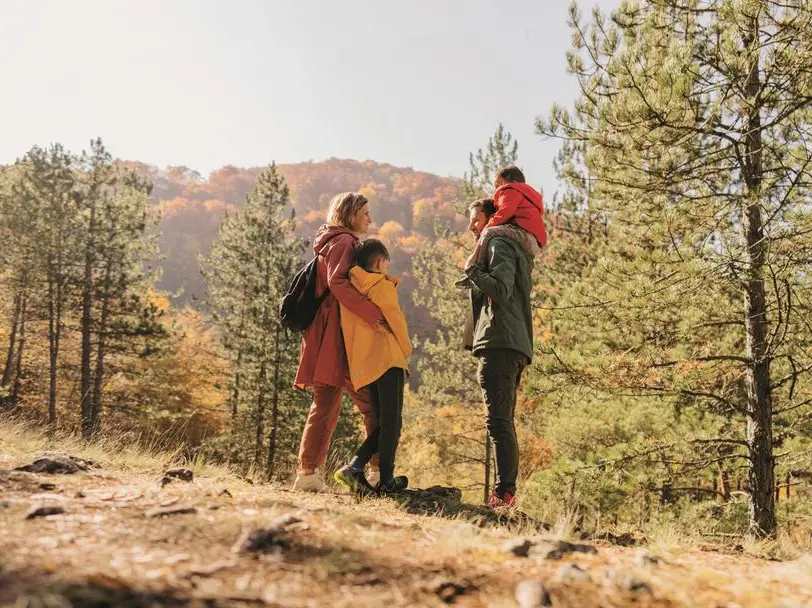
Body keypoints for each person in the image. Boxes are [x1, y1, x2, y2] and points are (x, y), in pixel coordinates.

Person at [292, 192, 385, 492]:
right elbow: (338, 283)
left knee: (326, 403)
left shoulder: (330, 241)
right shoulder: (345, 242)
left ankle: (308, 474)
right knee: (374, 404)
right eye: (365, 212)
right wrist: (373, 313)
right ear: (351, 214)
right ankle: (378, 471)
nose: (370, 218)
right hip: (337, 336)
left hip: (325, 335)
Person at [464, 196, 534, 508]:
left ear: (492, 219)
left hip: (501, 342)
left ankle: (504, 495)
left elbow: (502, 290)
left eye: (475, 220)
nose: (470, 227)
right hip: (510, 342)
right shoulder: (507, 245)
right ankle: (504, 494)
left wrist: (473, 272)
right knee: (502, 420)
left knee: (499, 422)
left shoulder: (498, 244)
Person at [334, 239, 412, 495]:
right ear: (380, 262)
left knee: (382, 422)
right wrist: (406, 349)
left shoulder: (352, 289)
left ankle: (360, 467)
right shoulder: (381, 286)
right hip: (389, 358)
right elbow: (396, 321)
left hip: (366, 363)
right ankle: (384, 479)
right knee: (393, 423)